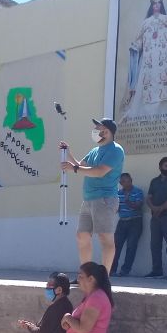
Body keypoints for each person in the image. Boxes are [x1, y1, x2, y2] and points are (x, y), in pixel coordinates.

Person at [60, 118, 125, 276]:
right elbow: (80, 165)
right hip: (88, 200)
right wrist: (68, 153)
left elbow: (100, 171)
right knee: (82, 236)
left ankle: (104, 278)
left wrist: (74, 169)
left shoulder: (115, 150)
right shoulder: (94, 151)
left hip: (105, 199)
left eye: (99, 128)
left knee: (104, 237)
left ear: (107, 132)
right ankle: (86, 276)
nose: (95, 131)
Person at [112, 173, 144, 276]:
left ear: (131, 180)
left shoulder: (138, 191)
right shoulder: (118, 193)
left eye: (128, 181)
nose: (127, 183)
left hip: (135, 221)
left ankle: (125, 271)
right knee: (116, 246)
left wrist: (127, 201)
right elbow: (115, 209)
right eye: (124, 181)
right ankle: (112, 270)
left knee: (131, 246)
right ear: (121, 183)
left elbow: (138, 206)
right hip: (122, 221)